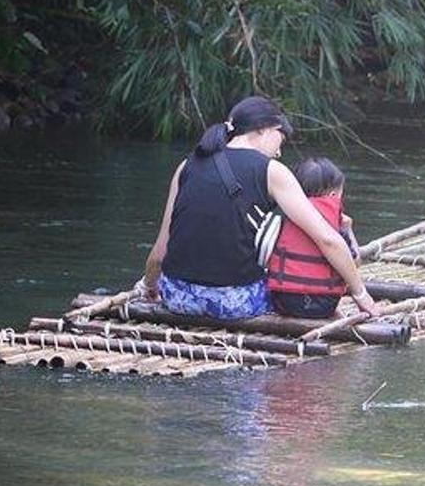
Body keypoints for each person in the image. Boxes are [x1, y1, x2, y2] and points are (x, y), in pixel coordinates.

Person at [140, 96, 378, 320]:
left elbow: (161, 251)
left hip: (176, 298)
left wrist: (149, 286)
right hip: (233, 304)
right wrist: (360, 293)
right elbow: (327, 239)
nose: (279, 151)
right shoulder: (271, 171)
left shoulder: (186, 165)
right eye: (280, 139)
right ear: (264, 128)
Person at [266, 157, 363, 318]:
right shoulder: (335, 221)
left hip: (282, 302)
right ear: (333, 194)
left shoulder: (287, 213)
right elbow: (355, 262)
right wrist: (348, 229)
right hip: (323, 305)